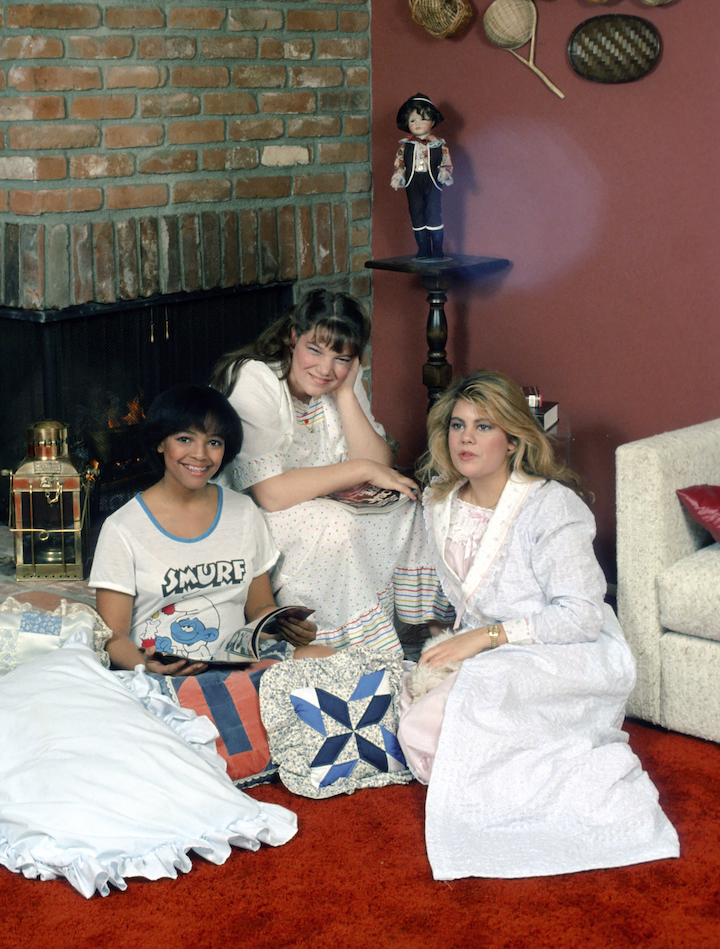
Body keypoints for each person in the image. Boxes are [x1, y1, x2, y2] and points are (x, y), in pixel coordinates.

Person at [397, 370, 679, 879]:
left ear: (512, 440)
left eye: (484, 426)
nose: (466, 438)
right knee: (422, 730)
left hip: (563, 646)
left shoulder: (551, 505)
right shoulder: (440, 500)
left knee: (436, 728)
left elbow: (581, 615)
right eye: (458, 425)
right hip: (487, 645)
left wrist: (484, 638)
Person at [211, 288, 425, 654]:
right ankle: (339, 646)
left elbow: (380, 463)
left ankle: (403, 629)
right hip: (255, 512)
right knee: (335, 526)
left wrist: (345, 394)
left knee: (406, 502)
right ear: (293, 336)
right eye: (315, 349)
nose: (325, 369)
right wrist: (362, 469)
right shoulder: (254, 378)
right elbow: (271, 493)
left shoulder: (338, 380)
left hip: (320, 498)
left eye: (342, 358)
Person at [89, 384, 319, 675]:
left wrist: (286, 625)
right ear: (160, 443)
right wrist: (146, 665)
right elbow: (113, 637)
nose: (200, 454)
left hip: (238, 666)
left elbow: (259, 608)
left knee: (330, 659)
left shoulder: (243, 511)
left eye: (214, 442)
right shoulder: (122, 528)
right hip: (162, 674)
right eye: (184, 439)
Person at [390, 92, 453, 259]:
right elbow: (400, 164)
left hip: (432, 182)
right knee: (416, 211)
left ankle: (437, 250)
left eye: (423, 119)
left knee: (433, 211)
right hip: (413, 182)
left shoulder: (439, 144)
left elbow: (445, 162)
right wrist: (398, 176)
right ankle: (423, 249)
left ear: (433, 121)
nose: (417, 124)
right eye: (412, 120)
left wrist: (445, 172)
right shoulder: (405, 146)